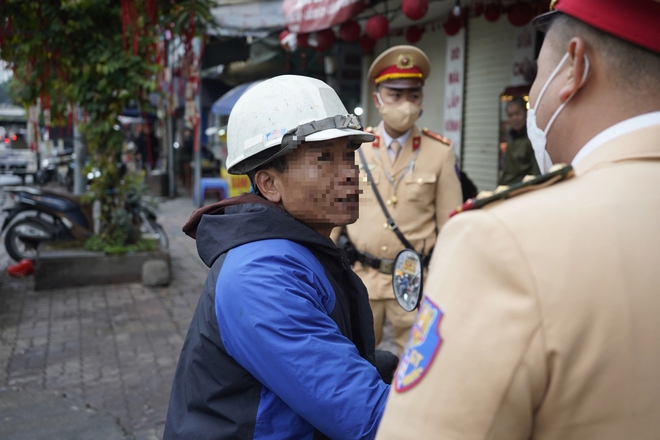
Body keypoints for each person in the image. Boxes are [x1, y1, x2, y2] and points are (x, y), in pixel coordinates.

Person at [376, 0, 660, 438]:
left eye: (537, 76)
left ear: (575, 67)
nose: (529, 100)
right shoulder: (361, 150)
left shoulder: (499, 240)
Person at [164, 75, 394, 439]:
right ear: (269, 184)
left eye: (348, 155)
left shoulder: (301, 246)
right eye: (323, 160)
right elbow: (366, 416)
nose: (349, 174)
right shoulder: (260, 275)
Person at [342, 45, 462, 356]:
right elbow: (334, 216)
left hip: (413, 281)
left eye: (414, 95)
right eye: (395, 94)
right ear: (377, 99)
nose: (405, 104)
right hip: (360, 278)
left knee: (417, 364)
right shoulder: (356, 150)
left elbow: (451, 228)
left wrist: (444, 283)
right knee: (356, 359)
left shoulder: (440, 151)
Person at [499, 95, 540, 185]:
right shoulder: (510, 136)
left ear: (525, 113)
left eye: (517, 113)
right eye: (510, 115)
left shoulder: (532, 138)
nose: (514, 118)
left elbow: (536, 172)